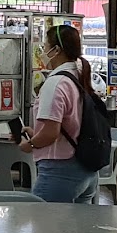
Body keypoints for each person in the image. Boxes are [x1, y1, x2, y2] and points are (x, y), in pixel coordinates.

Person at [19, 25, 98, 204]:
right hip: (85, 170)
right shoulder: (77, 77)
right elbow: (69, 125)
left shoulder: (56, 83)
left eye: (45, 46)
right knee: (73, 230)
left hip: (60, 172)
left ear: (56, 50)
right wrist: (36, 133)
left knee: (42, 225)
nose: (43, 51)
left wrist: (30, 144)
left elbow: (50, 134)